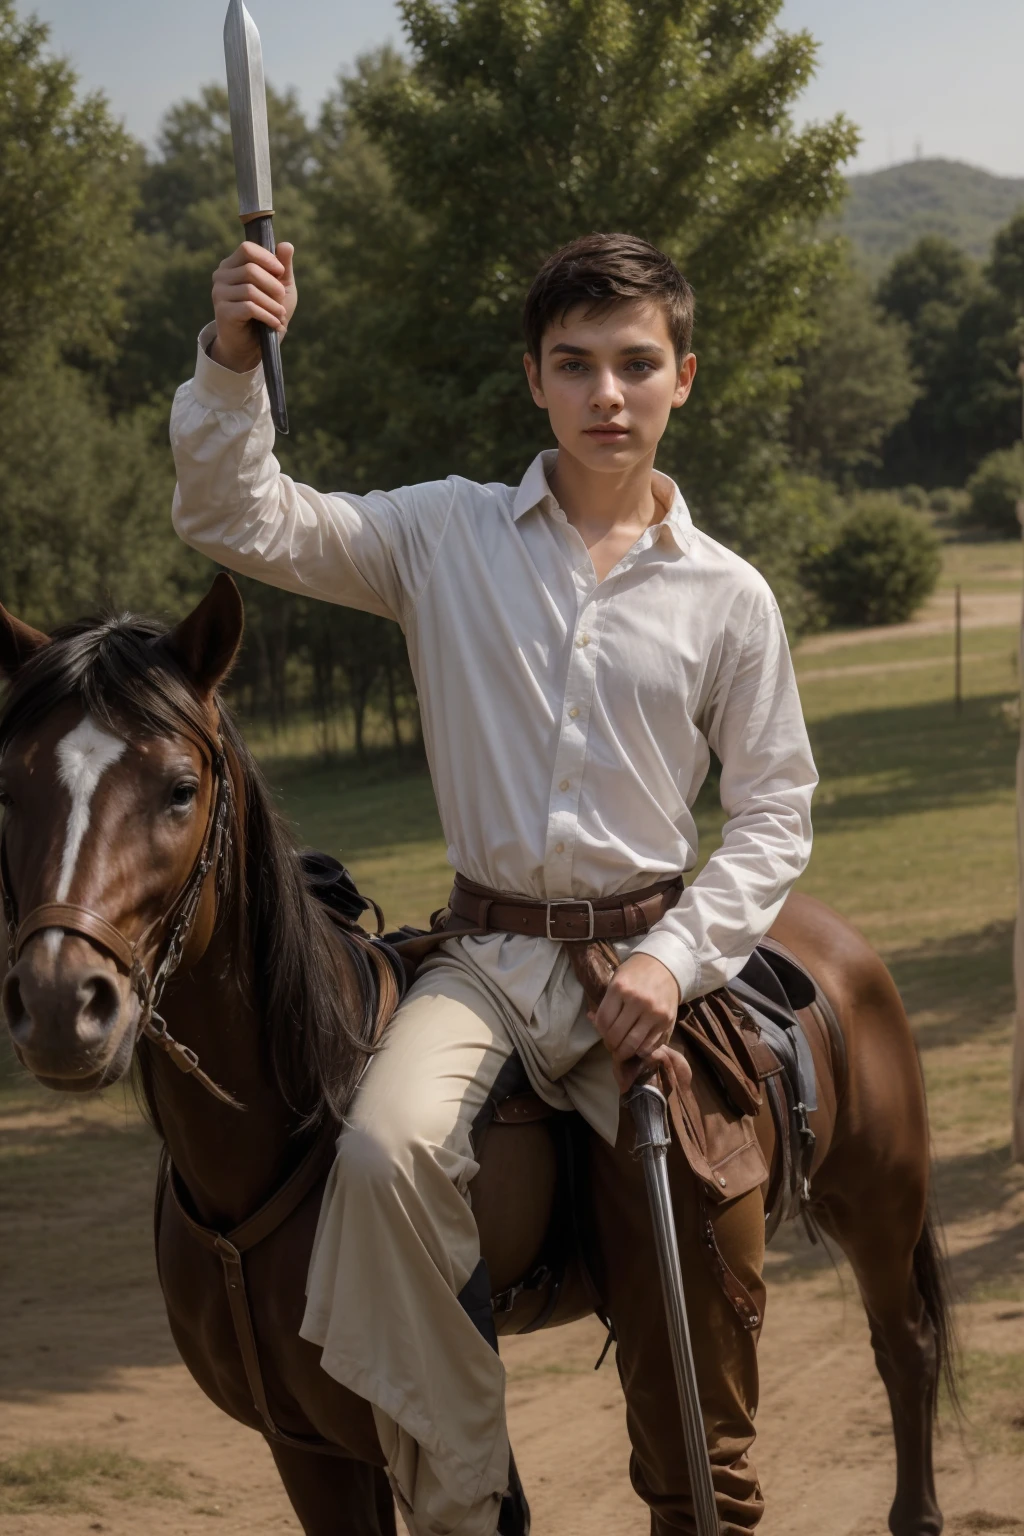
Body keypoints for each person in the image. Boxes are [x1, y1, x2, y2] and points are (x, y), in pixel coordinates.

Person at [169, 231, 817, 1536]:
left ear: (682, 375)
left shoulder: (731, 599)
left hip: (650, 973)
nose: (607, 394)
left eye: (636, 364)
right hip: (487, 962)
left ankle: (708, 1502)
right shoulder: (442, 535)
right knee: (381, 1148)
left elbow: (774, 812)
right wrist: (235, 356)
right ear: (535, 377)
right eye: (575, 365)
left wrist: (669, 963)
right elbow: (237, 517)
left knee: (706, 1218)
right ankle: (468, 1502)